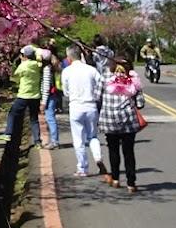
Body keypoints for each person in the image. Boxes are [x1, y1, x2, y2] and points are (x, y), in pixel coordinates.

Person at [95, 56, 146, 193]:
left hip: (109, 120)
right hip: (128, 121)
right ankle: (131, 183)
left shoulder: (105, 76)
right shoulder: (133, 78)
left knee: (113, 150)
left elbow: (96, 96)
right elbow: (140, 103)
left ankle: (116, 178)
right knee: (128, 152)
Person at [61, 45, 106, 178]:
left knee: (78, 139)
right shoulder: (91, 70)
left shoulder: (67, 71)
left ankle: (82, 168)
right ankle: (98, 157)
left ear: (69, 57)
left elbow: (66, 91)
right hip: (91, 105)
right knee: (92, 136)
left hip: (76, 106)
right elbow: (101, 83)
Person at [5, 45, 45, 147]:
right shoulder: (37, 65)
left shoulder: (23, 66)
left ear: (25, 56)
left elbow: (15, 75)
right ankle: (37, 142)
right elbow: (39, 53)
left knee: (12, 114)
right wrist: (34, 49)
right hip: (35, 96)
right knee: (34, 119)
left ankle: (8, 133)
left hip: (23, 95)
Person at [41, 43, 61, 149]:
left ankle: (54, 141)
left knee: (50, 118)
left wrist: (43, 102)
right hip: (54, 94)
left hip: (50, 96)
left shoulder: (47, 68)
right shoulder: (53, 65)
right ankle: (53, 140)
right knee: (50, 118)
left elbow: (46, 86)